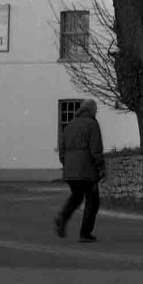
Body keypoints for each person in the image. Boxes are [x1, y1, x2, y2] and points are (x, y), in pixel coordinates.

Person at [54, 99, 105, 242]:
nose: (96, 112)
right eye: (96, 109)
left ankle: (62, 217)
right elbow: (96, 149)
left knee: (76, 196)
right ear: (91, 110)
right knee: (92, 201)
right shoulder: (92, 124)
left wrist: (67, 164)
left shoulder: (69, 125)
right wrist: (101, 166)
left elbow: (62, 150)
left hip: (70, 170)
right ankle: (85, 233)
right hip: (87, 169)